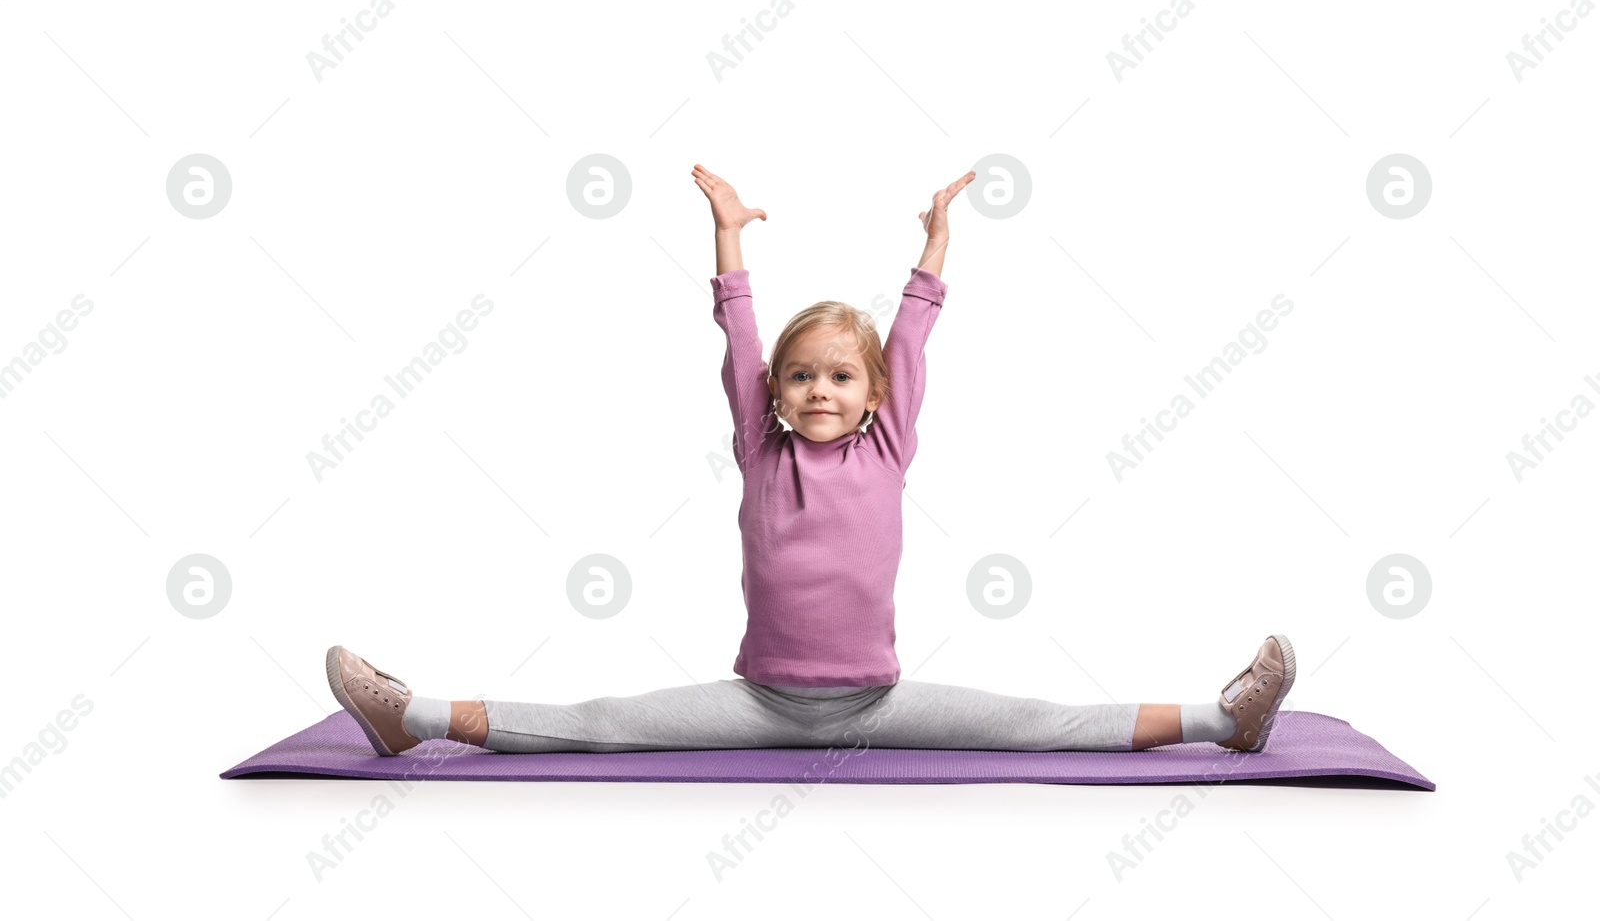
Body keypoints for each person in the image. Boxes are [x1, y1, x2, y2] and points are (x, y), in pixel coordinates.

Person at [324, 164, 1296, 757]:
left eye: (838, 375)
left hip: (877, 700)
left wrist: (934, 250)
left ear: (873, 396)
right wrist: (727, 238)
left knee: (1039, 717)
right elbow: (737, 335)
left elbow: (911, 342)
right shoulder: (758, 448)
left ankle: (1227, 717)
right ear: (775, 393)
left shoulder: (889, 441)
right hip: (758, 701)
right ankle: (408, 710)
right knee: (601, 716)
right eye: (800, 376)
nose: (818, 390)